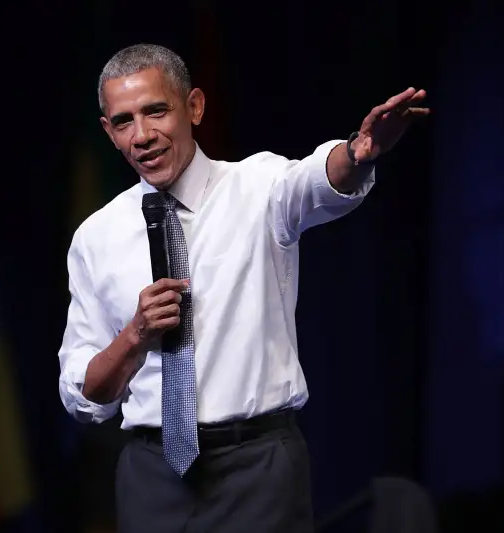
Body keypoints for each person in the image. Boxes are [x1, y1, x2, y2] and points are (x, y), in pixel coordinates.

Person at [57, 43, 428, 533]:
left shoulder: (258, 187)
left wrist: (357, 153)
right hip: (153, 477)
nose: (142, 135)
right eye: (124, 122)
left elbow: (318, 182)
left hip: (259, 469)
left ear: (194, 107)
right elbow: (84, 396)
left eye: (156, 111)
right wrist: (136, 335)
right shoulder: (95, 237)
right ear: (109, 132)